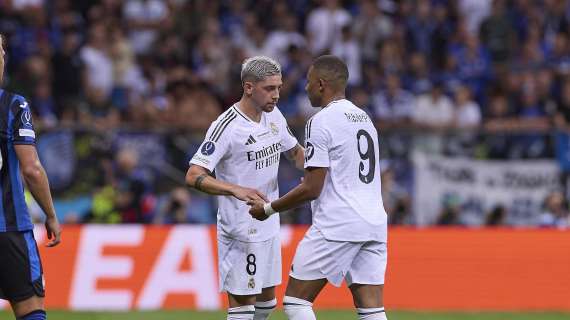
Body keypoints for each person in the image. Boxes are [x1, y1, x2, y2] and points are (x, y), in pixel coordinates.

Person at [249, 55, 389, 320]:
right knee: (372, 309)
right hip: (374, 223)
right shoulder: (364, 119)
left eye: (309, 81)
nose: (305, 87)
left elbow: (312, 188)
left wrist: (268, 208)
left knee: (296, 302)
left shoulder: (320, 121)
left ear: (322, 85)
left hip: (339, 222)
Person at [186, 56, 304, 320]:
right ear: (249, 87)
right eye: (269, 88)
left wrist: (322, 169)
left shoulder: (274, 116)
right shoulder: (226, 126)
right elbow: (194, 175)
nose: (276, 95)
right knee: (242, 308)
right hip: (240, 228)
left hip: (269, 219)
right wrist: (234, 189)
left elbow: (295, 153)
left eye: (279, 88)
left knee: (267, 303)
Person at [0, 34, 62, 320]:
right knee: (30, 310)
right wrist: (50, 214)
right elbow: (32, 169)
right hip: (9, 227)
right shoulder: (13, 105)